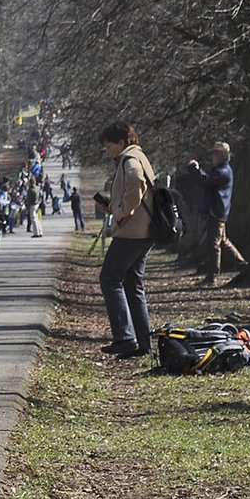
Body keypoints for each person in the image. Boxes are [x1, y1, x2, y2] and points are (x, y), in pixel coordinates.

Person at [94, 121, 155, 359]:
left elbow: (136, 182)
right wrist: (112, 207)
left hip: (132, 233)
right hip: (144, 233)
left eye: (108, 146)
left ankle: (125, 337)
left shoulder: (130, 160)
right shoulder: (138, 156)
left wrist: (122, 211)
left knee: (109, 278)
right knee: (133, 285)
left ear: (121, 142)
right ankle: (143, 342)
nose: (106, 151)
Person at [187, 141, 247, 287]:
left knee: (213, 244)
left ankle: (212, 277)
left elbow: (205, 182)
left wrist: (194, 169)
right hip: (219, 211)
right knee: (223, 240)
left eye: (214, 153)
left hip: (217, 212)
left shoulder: (223, 172)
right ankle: (242, 264)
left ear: (221, 155)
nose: (212, 156)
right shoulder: (221, 170)